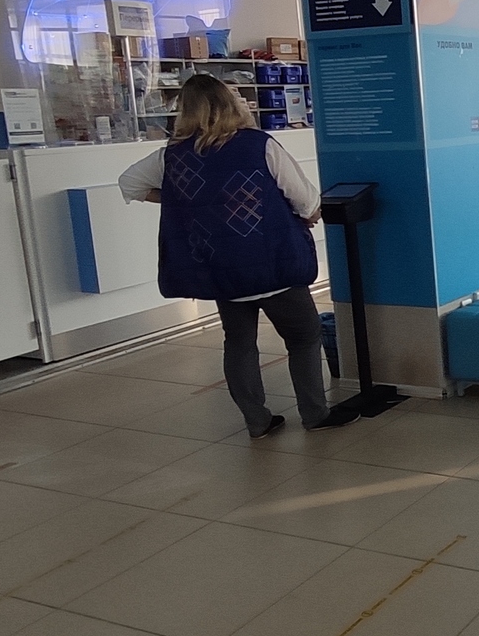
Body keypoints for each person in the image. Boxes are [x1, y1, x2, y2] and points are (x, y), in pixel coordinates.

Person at [119, 73, 356, 437]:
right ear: (230, 105)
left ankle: (257, 421)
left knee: (239, 344)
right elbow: (306, 200)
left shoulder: (171, 156)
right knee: (304, 337)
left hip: (219, 270)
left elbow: (130, 183)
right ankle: (314, 414)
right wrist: (308, 215)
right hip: (274, 265)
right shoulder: (259, 144)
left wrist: (190, 201)